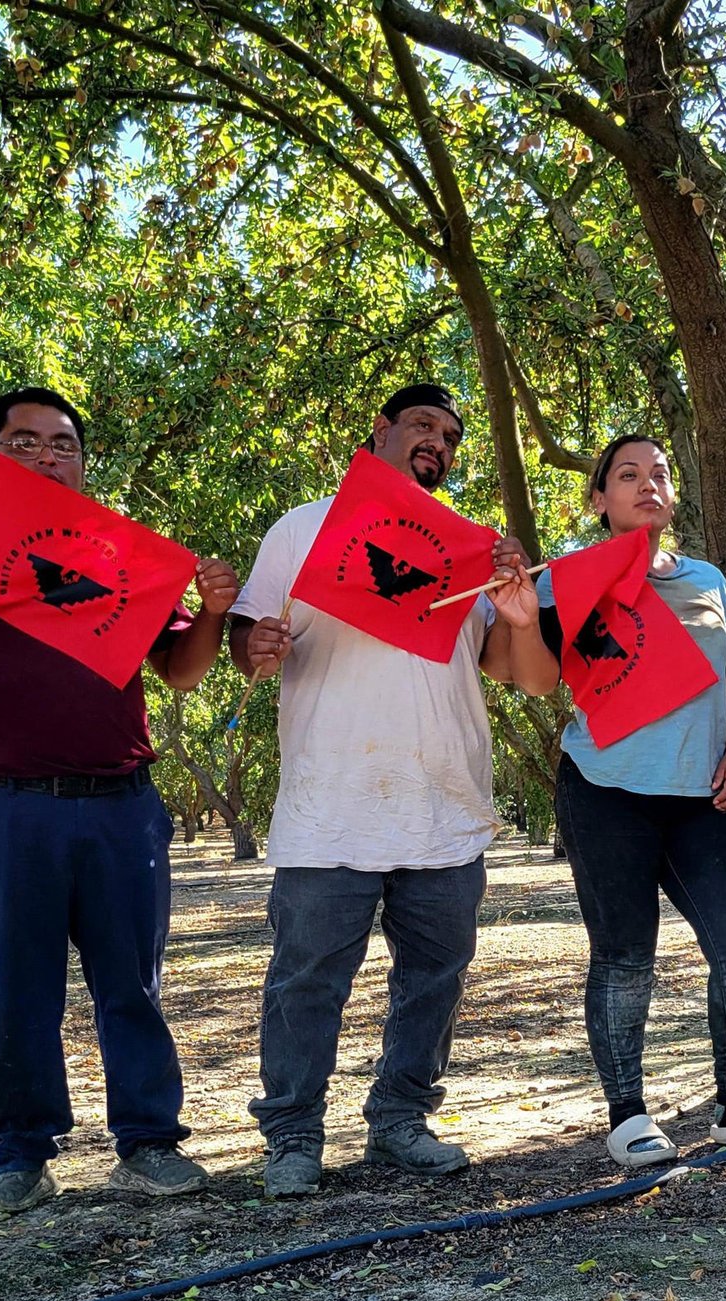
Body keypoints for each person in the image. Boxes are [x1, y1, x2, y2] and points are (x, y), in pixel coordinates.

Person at [0, 386, 240, 1214]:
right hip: (2, 808)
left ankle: (148, 1140)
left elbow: (180, 668)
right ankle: (17, 1156)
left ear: (82, 462)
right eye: (24, 442)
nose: (45, 456)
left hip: (120, 805)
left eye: (62, 444)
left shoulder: (118, 551)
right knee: (14, 990)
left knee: (132, 984)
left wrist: (212, 613)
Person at [231, 383, 546, 1197]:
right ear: (380, 430)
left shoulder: (473, 549)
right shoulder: (304, 526)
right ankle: (292, 1134)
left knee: (435, 978)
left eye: (451, 435)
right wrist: (253, 643)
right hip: (329, 805)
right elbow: (246, 632)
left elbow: (515, 672)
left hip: (444, 804)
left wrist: (516, 610)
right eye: (422, 425)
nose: (438, 441)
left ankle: (401, 1119)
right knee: (307, 980)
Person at [501, 434, 726, 1167]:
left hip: (700, 798)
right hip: (605, 792)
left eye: (660, 474)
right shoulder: (563, 579)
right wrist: (521, 620)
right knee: (625, 958)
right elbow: (538, 682)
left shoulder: (708, 579)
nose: (647, 485)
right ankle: (628, 1115)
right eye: (628, 475)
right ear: (599, 499)